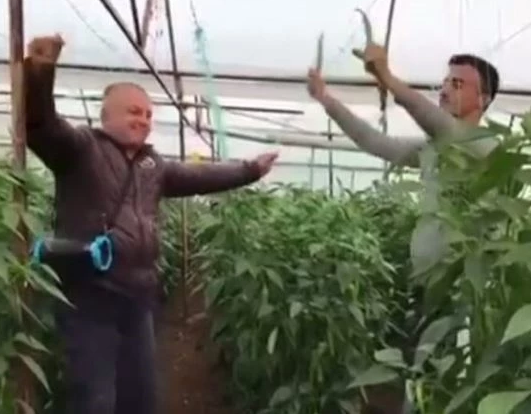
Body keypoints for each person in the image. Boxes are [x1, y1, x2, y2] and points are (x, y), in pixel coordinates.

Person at [25, 34, 278, 414]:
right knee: (95, 401)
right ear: (106, 116)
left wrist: (249, 170)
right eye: (133, 112)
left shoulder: (151, 166)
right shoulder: (81, 149)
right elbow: (41, 125)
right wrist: (41, 71)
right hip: (91, 296)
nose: (142, 121)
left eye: (147, 115)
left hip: (138, 298)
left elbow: (200, 177)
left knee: (141, 400)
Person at [307, 43, 499, 414]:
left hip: (464, 292)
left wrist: (388, 78)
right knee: (424, 379)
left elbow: (437, 123)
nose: (445, 89)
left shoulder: (484, 147)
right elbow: (375, 142)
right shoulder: (435, 148)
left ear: (484, 99)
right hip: (428, 286)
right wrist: (326, 100)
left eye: (458, 84)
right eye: (445, 82)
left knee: (449, 384)